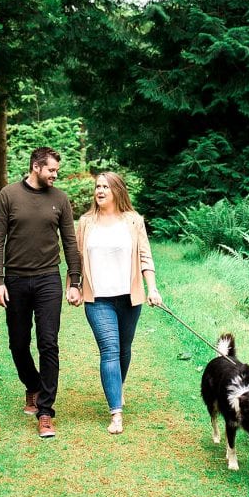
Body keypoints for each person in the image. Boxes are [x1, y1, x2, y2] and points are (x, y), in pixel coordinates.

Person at [0, 146, 82, 439]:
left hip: (48, 281)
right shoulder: (9, 195)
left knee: (48, 343)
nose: (56, 175)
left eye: (57, 170)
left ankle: (45, 412)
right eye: (51, 170)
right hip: (15, 280)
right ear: (35, 167)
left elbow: (70, 243)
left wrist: (75, 281)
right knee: (18, 344)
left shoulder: (61, 199)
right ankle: (32, 384)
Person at [74, 171, 162, 434]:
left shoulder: (133, 221)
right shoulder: (86, 222)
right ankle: (116, 413)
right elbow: (77, 259)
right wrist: (74, 286)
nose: (100, 191)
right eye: (97, 187)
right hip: (98, 299)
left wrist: (152, 288)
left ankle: (116, 388)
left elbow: (145, 257)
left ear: (117, 191)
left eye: (105, 187)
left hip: (129, 298)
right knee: (110, 349)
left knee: (124, 348)